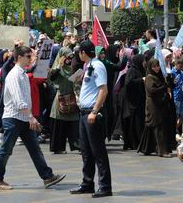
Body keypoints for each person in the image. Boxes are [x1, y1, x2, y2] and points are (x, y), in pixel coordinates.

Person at [0, 45, 65, 191]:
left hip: (24, 118)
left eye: (30, 56)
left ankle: (47, 176)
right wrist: (31, 117)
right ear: (19, 58)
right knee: (6, 150)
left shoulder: (23, 74)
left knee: (34, 148)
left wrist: (30, 117)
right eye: (28, 56)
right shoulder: (14, 75)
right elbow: (19, 100)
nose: (30, 59)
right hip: (13, 118)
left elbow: (26, 97)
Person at [70, 40, 112, 198]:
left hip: (92, 113)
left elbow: (104, 90)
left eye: (79, 51)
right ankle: (87, 183)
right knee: (86, 152)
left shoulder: (97, 66)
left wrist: (95, 111)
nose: (78, 54)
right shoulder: (88, 66)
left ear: (83, 52)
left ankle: (105, 186)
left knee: (98, 151)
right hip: (83, 112)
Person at [137, 58, 172, 158]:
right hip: (154, 106)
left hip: (160, 105)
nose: (156, 68)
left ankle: (148, 148)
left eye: (157, 66)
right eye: (154, 66)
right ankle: (162, 151)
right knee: (158, 128)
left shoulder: (158, 76)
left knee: (157, 127)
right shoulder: (149, 77)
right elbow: (151, 91)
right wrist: (163, 87)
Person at [47, 50, 79, 154]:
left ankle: (78, 145)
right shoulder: (56, 69)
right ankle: (58, 147)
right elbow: (52, 78)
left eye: (71, 58)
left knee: (74, 123)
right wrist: (59, 66)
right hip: (60, 99)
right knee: (59, 124)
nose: (69, 60)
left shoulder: (72, 68)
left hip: (72, 98)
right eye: (67, 57)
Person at [121, 54, 146, 150]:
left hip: (139, 100)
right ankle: (132, 143)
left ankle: (138, 142)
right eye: (143, 60)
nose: (144, 62)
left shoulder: (141, 69)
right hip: (132, 101)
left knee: (138, 122)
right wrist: (141, 80)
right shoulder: (132, 70)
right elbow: (128, 83)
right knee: (134, 123)